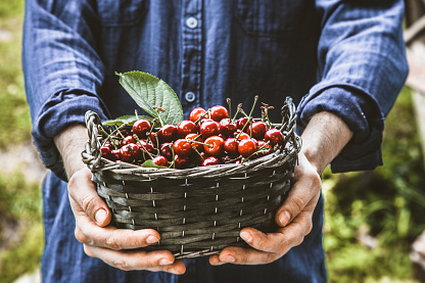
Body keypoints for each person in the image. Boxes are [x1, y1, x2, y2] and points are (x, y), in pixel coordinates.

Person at [23, 0, 408, 282]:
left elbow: (366, 24)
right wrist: (81, 158)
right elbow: (55, 31)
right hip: (105, 228)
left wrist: (309, 151)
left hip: (264, 220)